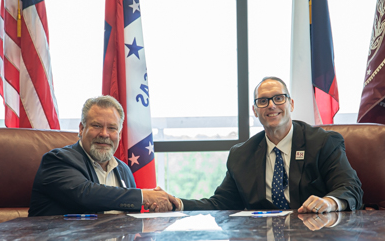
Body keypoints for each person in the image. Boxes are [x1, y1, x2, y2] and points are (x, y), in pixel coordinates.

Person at [168, 76, 363, 213]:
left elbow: (350, 187)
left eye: (279, 98)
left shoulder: (323, 142)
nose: (271, 105)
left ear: (291, 104)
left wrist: (329, 202)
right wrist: (178, 203)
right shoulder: (241, 155)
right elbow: (221, 203)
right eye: (263, 101)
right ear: (255, 110)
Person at [29, 95, 173, 216]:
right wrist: (143, 195)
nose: (104, 134)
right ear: (81, 128)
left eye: (112, 128)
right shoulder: (57, 161)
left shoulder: (123, 170)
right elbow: (86, 195)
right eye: (97, 126)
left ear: (120, 134)